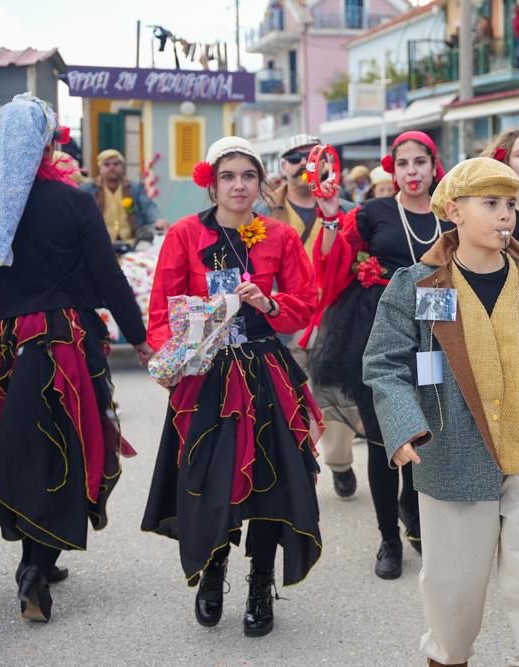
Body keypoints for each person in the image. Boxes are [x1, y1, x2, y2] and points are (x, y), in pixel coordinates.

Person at [362, 157, 519, 667]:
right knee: (454, 585)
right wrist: (404, 426)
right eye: (490, 203)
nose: (505, 215)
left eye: (510, 204)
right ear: (454, 211)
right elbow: (384, 363)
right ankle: (448, 657)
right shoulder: (417, 283)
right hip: (452, 454)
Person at [141, 136, 325, 637]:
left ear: (261, 182)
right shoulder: (184, 234)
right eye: (228, 176)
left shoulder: (280, 236)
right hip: (208, 375)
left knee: (270, 481)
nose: (238, 185)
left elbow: (305, 303)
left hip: (266, 369)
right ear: (212, 183)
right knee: (213, 479)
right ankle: (213, 568)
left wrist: (269, 303)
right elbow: (161, 313)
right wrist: (174, 357)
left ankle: (261, 582)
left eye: (248, 176)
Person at [0, 94, 151, 623]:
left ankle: (33, 562)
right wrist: (140, 338)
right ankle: (36, 567)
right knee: (62, 452)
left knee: (14, 450)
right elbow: (109, 278)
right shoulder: (73, 202)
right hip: (58, 345)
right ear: (48, 146)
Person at [310, 131, 445, 580]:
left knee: (426, 429)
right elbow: (331, 262)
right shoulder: (372, 212)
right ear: (392, 169)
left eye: (419, 162)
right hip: (375, 333)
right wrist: (331, 217)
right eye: (402, 163)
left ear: (434, 166)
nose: (411, 171)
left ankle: (414, 510)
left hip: (436, 335)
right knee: (384, 438)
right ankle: (389, 538)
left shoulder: (452, 212)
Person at [254, 134, 359, 499]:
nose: (305, 164)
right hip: (282, 319)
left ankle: (340, 463)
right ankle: (293, 468)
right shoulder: (261, 212)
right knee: (284, 398)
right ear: (282, 166)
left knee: (337, 394)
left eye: (312, 157)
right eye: (295, 157)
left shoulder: (347, 208)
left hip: (333, 317)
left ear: (327, 163)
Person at [81, 148, 169, 242]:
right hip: (100, 243)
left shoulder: (135, 187)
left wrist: (158, 219)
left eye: (116, 164)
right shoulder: (88, 189)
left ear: (122, 167)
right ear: (100, 169)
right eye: (107, 164)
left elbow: (148, 207)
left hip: (133, 242)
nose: (112, 167)